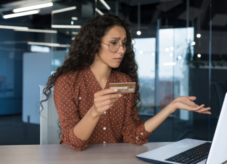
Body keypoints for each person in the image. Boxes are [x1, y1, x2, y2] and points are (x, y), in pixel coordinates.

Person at [41, 14, 211, 151]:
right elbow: (74, 142)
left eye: (124, 44)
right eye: (113, 43)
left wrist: (171, 107)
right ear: (94, 45)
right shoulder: (67, 82)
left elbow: (134, 135)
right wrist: (94, 112)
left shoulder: (124, 81)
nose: (121, 50)